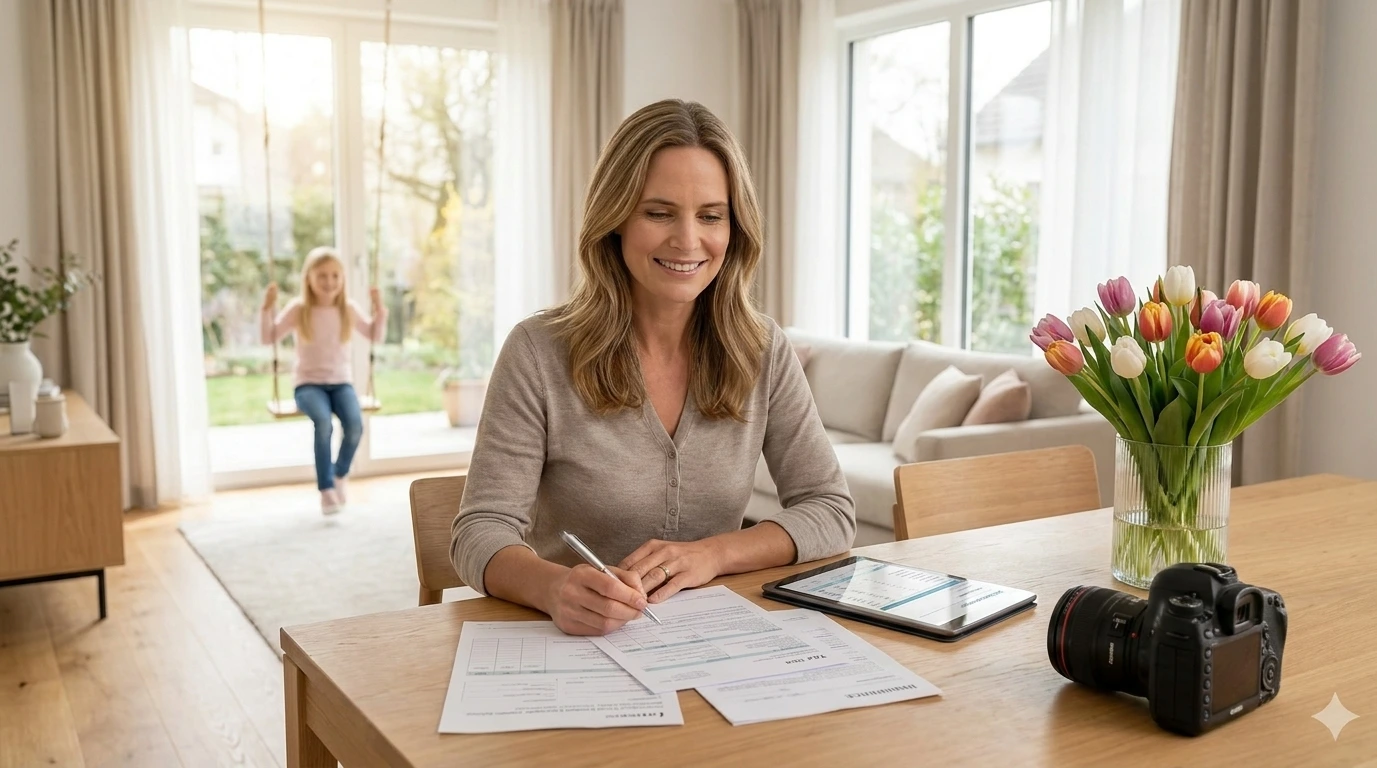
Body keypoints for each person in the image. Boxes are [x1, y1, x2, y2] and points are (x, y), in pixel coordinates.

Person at [451, 99, 855, 636]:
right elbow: (480, 530)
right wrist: (553, 588)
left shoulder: (763, 349)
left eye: (710, 215)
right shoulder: (537, 351)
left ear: (734, 228)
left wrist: (713, 554)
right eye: (659, 213)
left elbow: (830, 510)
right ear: (615, 218)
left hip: (711, 641)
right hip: (573, 643)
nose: (687, 240)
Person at [261, 247, 387, 515]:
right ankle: (326, 489)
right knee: (323, 423)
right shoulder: (299, 309)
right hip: (308, 385)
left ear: (342, 278)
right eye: (322, 276)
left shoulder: (347, 309)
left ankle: (340, 475)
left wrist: (380, 309)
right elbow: (268, 337)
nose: (329, 282)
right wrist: (266, 309)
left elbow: (374, 334)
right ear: (308, 278)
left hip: (341, 383)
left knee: (355, 426)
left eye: (334, 275)